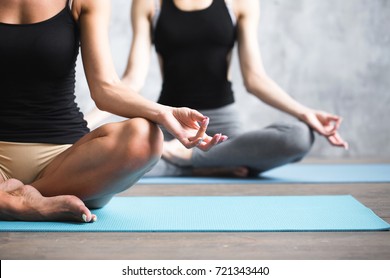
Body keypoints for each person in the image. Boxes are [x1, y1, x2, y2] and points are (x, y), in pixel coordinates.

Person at [0, 0, 226, 222]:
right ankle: (20, 203)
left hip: (65, 165)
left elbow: (105, 89)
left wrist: (165, 114)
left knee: (145, 137)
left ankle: (17, 198)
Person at [120, 0, 348, 177]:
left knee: (299, 137)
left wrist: (304, 112)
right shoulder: (150, 3)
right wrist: (87, 124)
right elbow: (133, 80)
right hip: (172, 128)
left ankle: (188, 158)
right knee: (120, 162)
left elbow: (255, 79)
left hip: (224, 132)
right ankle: (207, 165)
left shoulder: (239, 2)